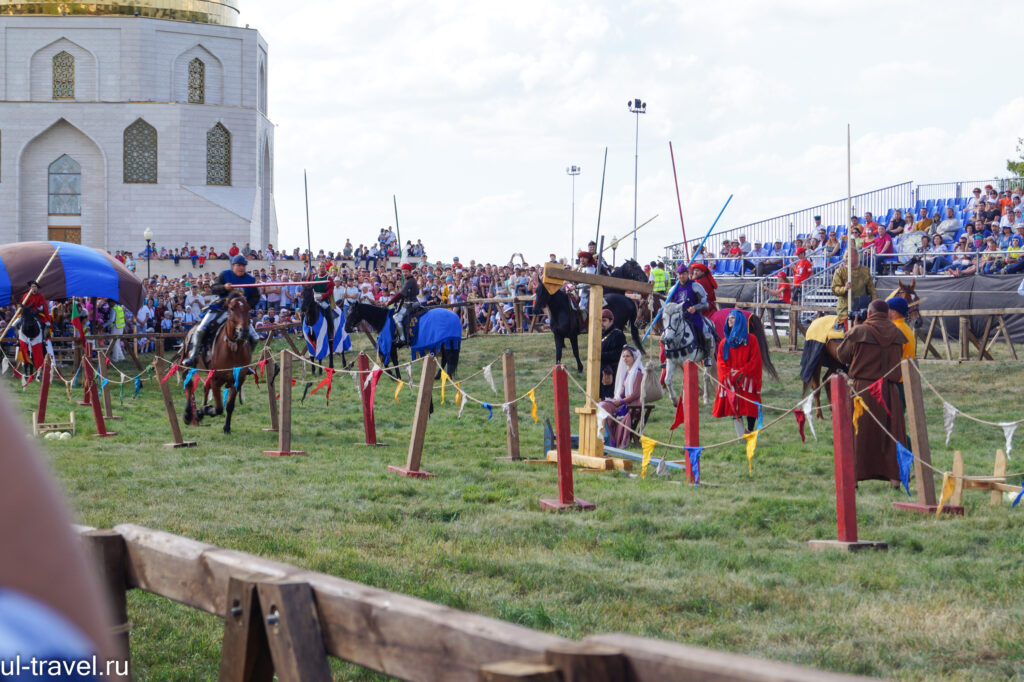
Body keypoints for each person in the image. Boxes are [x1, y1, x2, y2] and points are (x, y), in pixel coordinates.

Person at [836, 299, 907, 484]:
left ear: (869, 313)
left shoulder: (860, 331)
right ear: (887, 314)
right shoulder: (897, 334)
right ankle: (895, 480)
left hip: (864, 390)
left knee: (859, 433)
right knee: (890, 435)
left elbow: (841, 355)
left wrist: (852, 331)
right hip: (890, 391)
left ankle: (855, 479)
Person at [182, 255, 261, 367]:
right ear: (233, 266)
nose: (241, 268)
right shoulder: (225, 274)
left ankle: (246, 363)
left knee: (255, 338)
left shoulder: (250, 279)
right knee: (200, 330)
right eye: (239, 265)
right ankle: (193, 356)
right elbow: (214, 288)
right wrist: (224, 287)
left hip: (238, 313)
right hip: (220, 308)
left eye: (243, 265)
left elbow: (255, 296)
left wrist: (245, 306)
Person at [712, 310, 763, 437]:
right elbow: (720, 362)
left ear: (739, 321)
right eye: (729, 318)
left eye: (733, 318)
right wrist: (730, 373)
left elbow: (755, 360)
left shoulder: (751, 340)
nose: (730, 320)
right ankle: (740, 436)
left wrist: (742, 372)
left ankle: (750, 430)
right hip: (731, 379)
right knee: (734, 406)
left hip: (746, 379)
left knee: (750, 406)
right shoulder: (724, 342)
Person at [599, 346, 644, 448]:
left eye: (627, 356)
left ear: (634, 358)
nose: (625, 359)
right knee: (602, 405)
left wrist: (621, 401)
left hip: (633, 404)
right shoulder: (628, 372)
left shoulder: (638, 373)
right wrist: (616, 399)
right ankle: (610, 439)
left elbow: (635, 394)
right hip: (624, 402)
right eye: (623, 356)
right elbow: (624, 392)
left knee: (604, 407)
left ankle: (613, 440)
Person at [670, 263, 711, 356]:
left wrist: (695, 308)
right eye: (680, 274)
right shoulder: (673, 289)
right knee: (667, 332)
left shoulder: (696, 286)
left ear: (688, 274)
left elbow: (706, 304)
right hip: (678, 317)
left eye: (683, 274)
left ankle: (706, 354)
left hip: (693, 316)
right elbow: (669, 304)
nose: (681, 276)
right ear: (677, 275)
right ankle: (669, 354)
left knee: (703, 332)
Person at [831, 248, 876, 328]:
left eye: (849, 256)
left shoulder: (865, 271)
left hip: (863, 309)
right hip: (846, 310)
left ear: (857, 256)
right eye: (846, 256)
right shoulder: (840, 271)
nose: (847, 258)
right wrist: (844, 288)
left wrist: (874, 306)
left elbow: (872, 291)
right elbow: (834, 289)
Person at [886, 296, 916, 409]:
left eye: (887, 310)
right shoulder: (906, 328)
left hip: (897, 380)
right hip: (905, 377)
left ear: (893, 312)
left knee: (894, 418)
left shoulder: (894, 329)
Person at [387, 263, 420, 346]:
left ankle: (402, 339)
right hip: (408, 303)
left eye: (406, 271)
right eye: (403, 272)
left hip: (411, 304)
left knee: (396, 317)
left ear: (410, 272)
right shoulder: (408, 280)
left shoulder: (410, 281)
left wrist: (389, 302)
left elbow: (401, 294)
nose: (404, 273)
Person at [599, 309, 625, 399]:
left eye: (604, 320)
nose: (602, 323)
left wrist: (600, 355)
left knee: (610, 399)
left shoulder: (618, 335)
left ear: (611, 321)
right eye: (600, 320)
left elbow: (618, 354)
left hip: (612, 371)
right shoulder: (600, 334)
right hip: (600, 370)